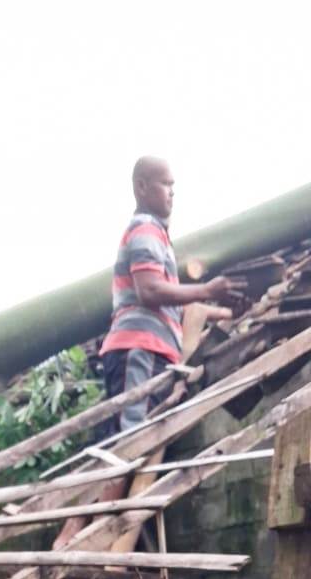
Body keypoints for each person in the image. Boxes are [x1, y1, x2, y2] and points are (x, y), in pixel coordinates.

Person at [98, 156, 245, 433]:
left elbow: (182, 309)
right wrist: (207, 289)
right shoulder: (145, 228)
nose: (172, 191)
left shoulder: (159, 235)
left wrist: (227, 311)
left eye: (173, 185)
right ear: (141, 187)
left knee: (143, 439)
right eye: (165, 184)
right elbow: (149, 291)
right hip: (140, 348)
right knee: (132, 441)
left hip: (153, 351)